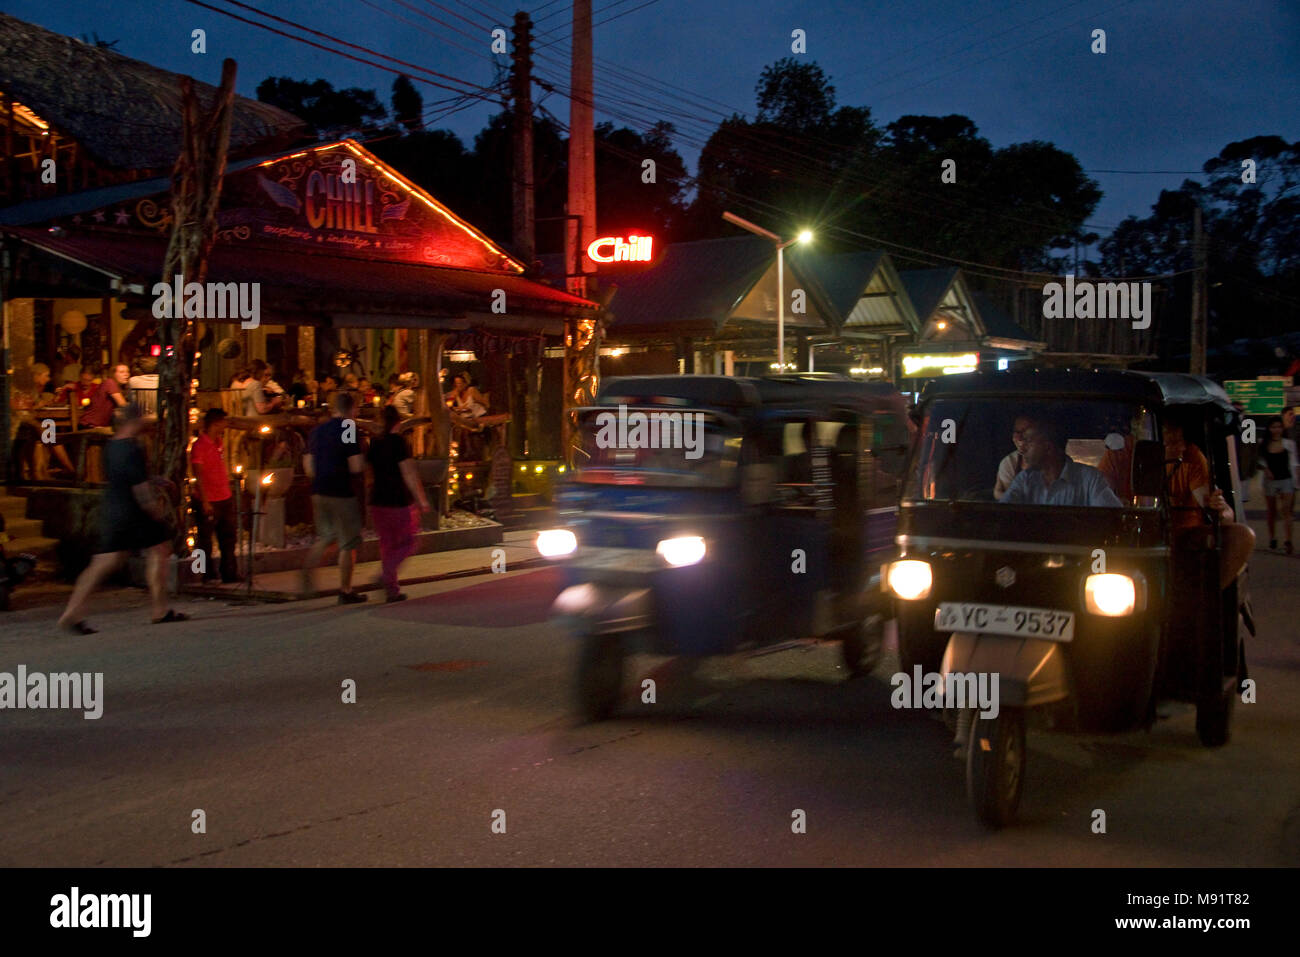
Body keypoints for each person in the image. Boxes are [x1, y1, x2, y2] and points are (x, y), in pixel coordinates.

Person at [56, 403, 189, 633]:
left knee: (104, 562)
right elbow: (139, 488)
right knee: (160, 549)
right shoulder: (133, 448)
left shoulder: (111, 446)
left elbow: (122, 477)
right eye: (144, 419)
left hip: (114, 508)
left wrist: (155, 480)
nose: (147, 423)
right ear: (134, 421)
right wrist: (155, 511)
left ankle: (72, 612)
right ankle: (159, 609)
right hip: (134, 510)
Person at [1162, 418, 1255, 588]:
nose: (1181, 448)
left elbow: (1217, 509)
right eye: (1172, 443)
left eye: (1182, 441)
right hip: (1133, 538)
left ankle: (1208, 596)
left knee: (1243, 535)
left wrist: (1219, 509)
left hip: (1183, 537)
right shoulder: (1120, 455)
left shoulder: (1191, 458)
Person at [302, 391, 367, 603]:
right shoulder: (348, 428)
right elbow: (355, 464)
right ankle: (346, 590)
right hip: (341, 490)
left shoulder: (318, 431)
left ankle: (307, 574)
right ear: (352, 409)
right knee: (348, 543)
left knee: (327, 537)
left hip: (319, 490)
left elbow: (309, 467)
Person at [367, 404, 430, 602]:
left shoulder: (375, 443)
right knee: (408, 541)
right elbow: (409, 473)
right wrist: (421, 499)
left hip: (378, 500)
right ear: (399, 422)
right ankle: (385, 575)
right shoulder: (399, 443)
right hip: (398, 500)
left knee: (387, 545)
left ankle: (392, 589)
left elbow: (368, 471)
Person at [1001, 418, 1122, 508]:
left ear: (1048, 447)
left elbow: (1111, 517)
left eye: (1029, 442)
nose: (1023, 449)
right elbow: (1001, 515)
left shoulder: (1090, 479)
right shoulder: (1024, 480)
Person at [190, 408, 240, 583]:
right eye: (224, 422)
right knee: (204, 540)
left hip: (224, 496)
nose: (226, 425)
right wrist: (204, 501)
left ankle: (229, 573)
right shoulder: (199, 446)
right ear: (216, 423)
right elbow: (199, 475)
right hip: (208, 499)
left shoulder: (218, 442)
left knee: (228, 538)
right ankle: (204, 573)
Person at [11, 363, 77, 476]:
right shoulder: (26, 387)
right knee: (50, 434)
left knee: (49, 430)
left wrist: (49, 401)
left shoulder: (34, 388)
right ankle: (71, 471)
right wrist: (38, 405)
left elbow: (34, 405)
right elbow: (22, 407)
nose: (48, 379)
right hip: (21, 423)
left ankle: (45, 472)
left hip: (32, 422)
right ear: (36, 376)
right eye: (46, 375)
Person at [1259, 415, 1298, 553]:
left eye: (1279, 427)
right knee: (1271, 511)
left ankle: (1288, 540)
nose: (1276, 430)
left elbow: (1294, 463)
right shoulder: (1263, 444)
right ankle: (1272, 538)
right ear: (1269, 428)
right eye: (1273, 427)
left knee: (1287, 510)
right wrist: (1266, 469)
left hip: (1286, 479)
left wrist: (1296, 482)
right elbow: (1260, 460)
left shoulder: (1288, 444)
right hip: (1270, 481)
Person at [79, 363, 130, 429]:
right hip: (89, 426)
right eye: (121, 372)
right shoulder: (110, 382)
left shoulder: (119, 387)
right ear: (113, 374)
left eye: (128, 371)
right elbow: (123, 405)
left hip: (100, 426)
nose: (126, 374)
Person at [993, 415, 1030, 500]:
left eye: (1026, 432)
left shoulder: (1055, 462)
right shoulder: (1009, 463)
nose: (1020, 438)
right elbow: (1012, 501)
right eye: (1017, 432)